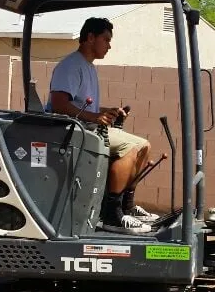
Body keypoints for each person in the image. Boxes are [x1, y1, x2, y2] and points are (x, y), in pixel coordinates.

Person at [48, 17, 158, 232]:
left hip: (87, 127)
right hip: (73, 130)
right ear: (90, 37)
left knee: (144, 147)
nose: (109, 45)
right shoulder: (71, 66)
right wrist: (94, 117)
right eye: (106, 39)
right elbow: (59, 104)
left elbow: (80, 104)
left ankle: (126, 206)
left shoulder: (88, 67)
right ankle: (112, 215)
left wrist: (108, 112)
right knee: (132, 147)